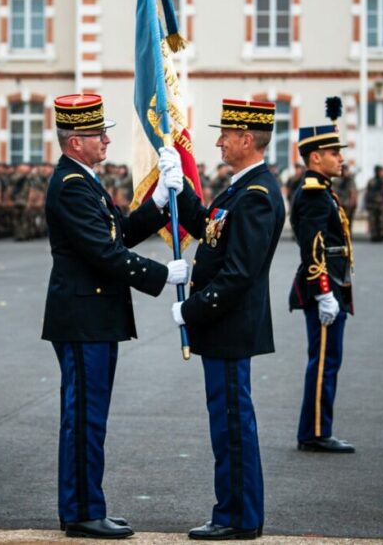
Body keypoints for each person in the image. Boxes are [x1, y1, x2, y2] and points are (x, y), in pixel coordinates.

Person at [41, 94, 188, 539]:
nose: (106, 139)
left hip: (92, 318)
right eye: (97, 134)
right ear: (74, 143)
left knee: (90, 417)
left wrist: (160, 200)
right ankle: (83, 511)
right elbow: (104, 253)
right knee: (85, 418)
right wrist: (162, 275)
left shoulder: (82, 179)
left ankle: (85, 506)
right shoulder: (70, 184)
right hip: (84, 320)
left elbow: (118, 232)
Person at [170, 99, 286, 541]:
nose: (218, 140)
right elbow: (211, 231)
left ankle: (237, 516)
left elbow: (239, 272)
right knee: (227, 422)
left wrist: (190, 308)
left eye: (225, 134)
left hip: (229, 326)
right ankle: (236, 511)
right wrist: (178, 186)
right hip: (224, 328)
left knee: (233, 424)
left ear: (246, 139)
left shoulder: (256, 196)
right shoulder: (241, 188)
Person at [287, 125, 356, 454]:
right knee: (324, 361)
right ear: (315, 157)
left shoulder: (322, 189)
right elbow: (313, 248)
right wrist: (324, 292)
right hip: (324, 286)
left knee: (328, 360)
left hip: (332, 283)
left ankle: (316, 429)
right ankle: (315, 432)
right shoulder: (314, 192)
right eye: (334, 153)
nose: (340, 158)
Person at [364, 165, 383, 242]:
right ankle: (374, 235)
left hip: (382, 204)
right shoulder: (371, 181)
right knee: (373, 220)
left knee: (381, 220)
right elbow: (367, 193)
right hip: (372, 204)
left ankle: (381, 234)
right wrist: (367, 203)